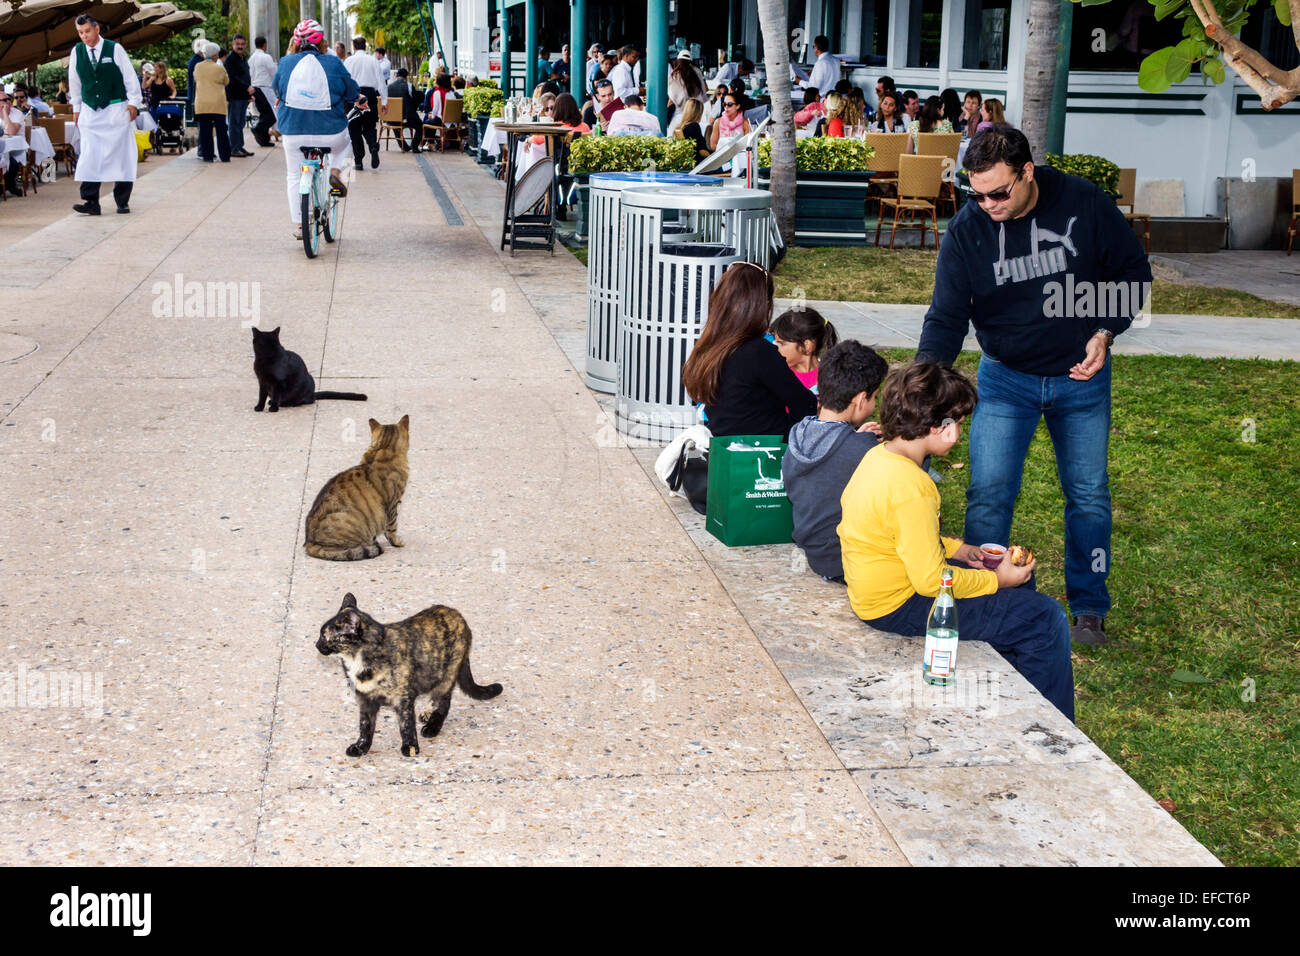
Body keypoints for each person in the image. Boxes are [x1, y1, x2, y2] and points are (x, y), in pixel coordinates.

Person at [916, 124, 1152, 646]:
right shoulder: (967, 230)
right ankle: (980, 599)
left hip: (1080, 379)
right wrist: (920, 388)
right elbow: (947, 318)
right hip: (1005, 379)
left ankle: (1089, 609)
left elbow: (1133, 271)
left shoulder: (1082, 202)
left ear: (1027, 173)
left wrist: (1105, 331)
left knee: (1088, 495)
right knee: (989, 496)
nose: (988, 205)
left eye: (998, 193)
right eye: (977, 195)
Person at [839, 362, 1076, 720]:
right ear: (942, 429)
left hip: (876, 591)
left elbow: (903, 536)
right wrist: (996, 581)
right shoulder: (914, 488)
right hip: (899, 605)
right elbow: (931, 581)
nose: (960, 433)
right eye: (959, 424)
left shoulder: (880, 458)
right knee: (1045, 618)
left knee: (1020, 587)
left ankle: (1011, 684)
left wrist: (961, 550)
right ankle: (1051, 726)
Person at [783, 340, 888, 582]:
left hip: (816, 553)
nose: (874, 404)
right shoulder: (865, 450)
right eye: (874, 397)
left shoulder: (799, 432)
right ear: (861, 399)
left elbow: (833, 461)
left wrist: (852, 438)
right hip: (851, 562)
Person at [681, 262, 817, 441]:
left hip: (723, 450)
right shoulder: (760, 352)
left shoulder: (709, 348)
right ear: (763, 305)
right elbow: (805, 407)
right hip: (764, 452)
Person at [274, 18, 364, 240]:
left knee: (294, 175)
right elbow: (351, 90)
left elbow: (277, 88)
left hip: (293, 131)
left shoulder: (285, 63)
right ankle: (335, 172)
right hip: (330, 132)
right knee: (345, 144)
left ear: (296, 42)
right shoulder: (333, 63)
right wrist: (359, 99)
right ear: (322, 41)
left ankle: (299, 223)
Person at [68, 14, 143, 216]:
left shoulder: (115, 49)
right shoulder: (77, 52)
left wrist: (134, 103)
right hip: (90, 112)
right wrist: (76, 108)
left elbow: (130, 78)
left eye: (87, 31)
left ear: (97, 28)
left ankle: (122, 201)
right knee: (90, 156)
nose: (84, 36)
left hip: (116, 109)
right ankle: (91, 201)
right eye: (80, 33)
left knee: (122, 155)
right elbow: (74, 83)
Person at [770, 306, 839, 394]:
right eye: (776, 343)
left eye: (782, 343)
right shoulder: (777, 375)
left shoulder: (831, 378)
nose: (776, 348)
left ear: (807, 346)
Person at [345, 36, 387, 170]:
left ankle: (358, 160)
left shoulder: (349, 61)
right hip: (370, 95)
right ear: (365, 46)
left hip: (354, 96)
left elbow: (344, 81)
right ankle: (373, 147)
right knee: (369, 126)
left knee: (354, 128)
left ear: (354, 47)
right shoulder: (373, 60)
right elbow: (381, 81)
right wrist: (384, 101)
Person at [193, 42, 231, 164]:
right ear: (215, 55)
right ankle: (225, 156)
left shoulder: (198, 66)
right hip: (217, 104)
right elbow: (226, 81)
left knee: (205, 131)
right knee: (221, 131)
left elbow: (195, 78)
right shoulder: (219, 68)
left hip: (202, 104)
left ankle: (207, 156)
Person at [224, 34, 254, 157]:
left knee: (241, 123)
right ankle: (234, 148)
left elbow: (246, 76)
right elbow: (233, 79)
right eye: (238, 44)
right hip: (235, 96)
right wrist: (246, 87)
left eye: (242, 44)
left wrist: (248, 94)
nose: (240, 46)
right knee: (234, 122)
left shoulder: (244, 58)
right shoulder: (231, 59)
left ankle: (239, 146)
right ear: (233, 45)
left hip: (243, 96)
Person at [666, 50, 705, 134]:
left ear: (677, 61)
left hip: (678, 114)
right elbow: (703, 94)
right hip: (695, 113)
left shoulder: (673, 75)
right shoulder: (697, 72)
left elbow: (672, 98)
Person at [248, 37, 277, 147]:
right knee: (271, 116)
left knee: (264, 114)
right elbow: (273, 72)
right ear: (265, 45)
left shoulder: (251, 59)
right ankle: (258, 129)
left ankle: (264, 139)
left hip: (254, 87)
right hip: (265, 88)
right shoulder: (266, 57)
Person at [388, 68, 423, 151]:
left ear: (396, 76)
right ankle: (414, 146)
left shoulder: (388, 87)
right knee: (420, 126)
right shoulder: (409, 86)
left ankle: (403, 146)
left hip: (393, 118)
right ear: (406, 77)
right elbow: (415, 98)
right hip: (407, 118)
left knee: (395, 126)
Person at [800, 35, 839, 99]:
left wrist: (799, 81)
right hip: (834, 98)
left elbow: (814, 87)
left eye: (814, 47)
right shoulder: (836, 60)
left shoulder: (820, 63)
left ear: (816, 47)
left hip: (823, 99)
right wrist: (813, 75)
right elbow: (828, 76)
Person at [1, 92, 24, 197]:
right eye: (5, 100)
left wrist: (5, 113)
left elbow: (11, 132)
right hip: (3, 148)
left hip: (16, 150)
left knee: (12, 163)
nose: (9, 102)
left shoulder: (17, 114)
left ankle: (9, 186)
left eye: (9, 99)